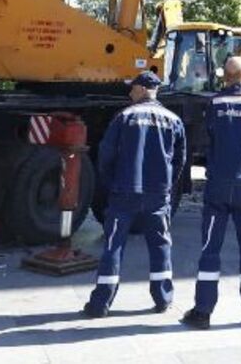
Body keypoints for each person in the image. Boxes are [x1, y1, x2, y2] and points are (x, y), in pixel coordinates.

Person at [82, 71, 186, 319]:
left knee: (113, 245)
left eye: (132, 89)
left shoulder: (124, 117)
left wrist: (109, 184)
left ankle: (101, 303)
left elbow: (105, 155)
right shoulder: (173, 119)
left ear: (142, 89)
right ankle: (162, 299)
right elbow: (180, 161)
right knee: (160, 244)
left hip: (124, 192)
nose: (129, 93)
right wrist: (167, 185)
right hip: (158, 195)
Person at [183, 56, 241, 329]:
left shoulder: (215, 103)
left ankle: (203, 312)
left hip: (218, 185)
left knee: (211, 248)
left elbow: (209, 136)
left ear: (226, 76)